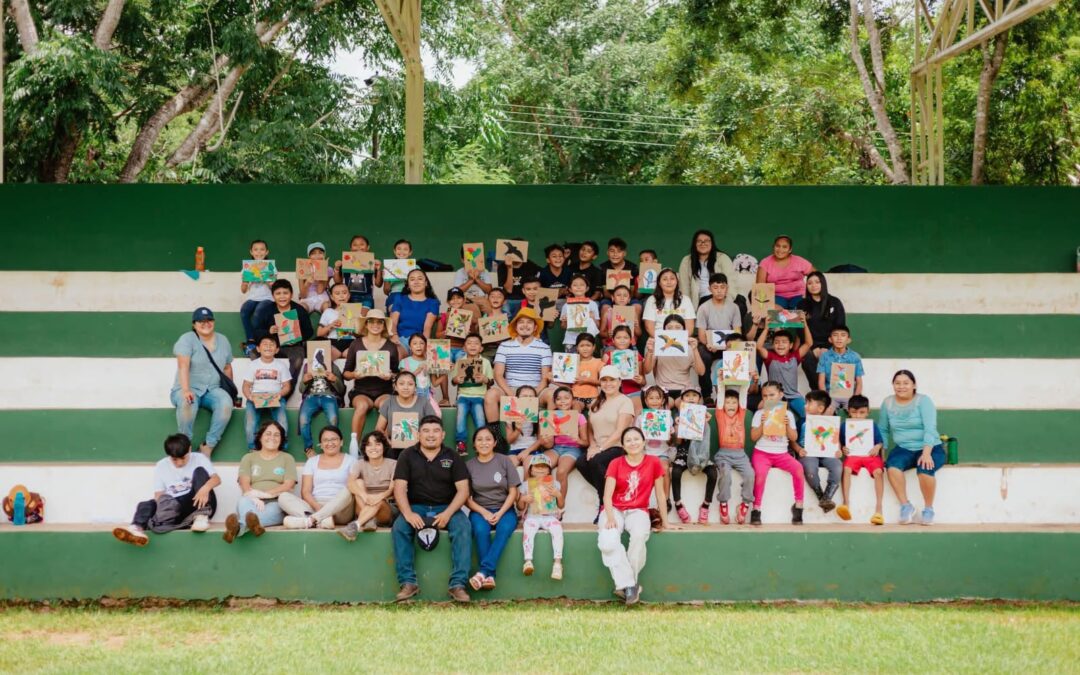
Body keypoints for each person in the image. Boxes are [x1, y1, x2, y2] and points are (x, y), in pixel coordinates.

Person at [391, 416, 473, 603]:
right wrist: (408, 513)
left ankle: (458, 585)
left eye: (435, 431)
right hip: (416, 507)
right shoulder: (407, 455)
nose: (430, 435)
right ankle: (408, 583)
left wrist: (448, 513)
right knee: (400, 528)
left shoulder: (452, 456)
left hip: (446, 506)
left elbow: (463, 491)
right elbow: (399, 488)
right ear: (418, 434)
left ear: (443, 435)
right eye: (426, 431)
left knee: (463, 527)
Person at [598, 426, 668, 606]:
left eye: (636, 439)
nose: (633, 443)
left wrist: (666, 523)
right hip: (614, 509)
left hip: (638, 510)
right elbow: (607, 495)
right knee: (608, 542)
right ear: (622, 445)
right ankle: (630, 585)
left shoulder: (653, 462)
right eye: (628, 440)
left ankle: (626, 586)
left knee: (638, 537)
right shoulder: (616, 463)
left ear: (644, 441)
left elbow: (660, 494)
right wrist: (611, 517)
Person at [112, 433, 221, 546]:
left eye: (183, 458)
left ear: (189, 449)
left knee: (200, 472)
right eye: (174, 459)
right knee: (146, 504)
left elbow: (216, 479)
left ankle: (201, 517)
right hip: (176, 506)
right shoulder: (161, 465)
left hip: (197, 501)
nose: (179, 463)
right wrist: (162, 509)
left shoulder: (199, 458)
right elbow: (159, 494)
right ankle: (136, 529)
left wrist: (205, 488)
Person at [880, 370, 945, 526]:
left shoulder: (923, 401)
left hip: (931, 447)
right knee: (892, 467)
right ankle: (906, 506)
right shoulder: (888, 403)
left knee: (924, 469)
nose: (901, 386)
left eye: (906, 383)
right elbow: (883, 429)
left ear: (914, 385)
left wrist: (927, 453)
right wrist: (882, 453)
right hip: (904, 448)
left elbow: (930, 428)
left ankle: (928, 509)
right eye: (897, 383)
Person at [170, 307, 235, 456]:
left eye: (209, 320)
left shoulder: (223, 340)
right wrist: (186, 390)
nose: (206, 323)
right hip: (187, 387)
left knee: (226, 404)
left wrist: (230, 391)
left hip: (212, 389)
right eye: (201, 321)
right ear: (194, 324)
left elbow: (227, 367)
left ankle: (208, 446)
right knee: (188, 402)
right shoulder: (187, 339)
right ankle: (185, 445)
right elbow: (183, 365)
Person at [466, 426, 521, 591]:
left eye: (488, 439)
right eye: (480, 439)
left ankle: (483, 572)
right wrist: (484, 512)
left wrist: (501, 512)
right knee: (481, 530)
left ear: (495, 442)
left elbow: (513, 491)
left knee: (504, 529)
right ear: (474, 444)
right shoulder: (468, 466)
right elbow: (466, 499)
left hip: (505, 509)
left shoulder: (505, 461)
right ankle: (489, 575)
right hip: (479, 510)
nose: (484, 443)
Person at [223, 421, 297, 543]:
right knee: (243, 502)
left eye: (277, 435)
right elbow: (244, 482)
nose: (272, 437)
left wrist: (266, 495)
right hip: (250, 500)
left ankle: (237, 528)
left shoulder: (287, 458)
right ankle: (254, 526)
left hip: (276, 501)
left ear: (282, 439)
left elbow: (289, 484)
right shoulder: (249, 458)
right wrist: (254, 497)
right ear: (260, 437)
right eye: (268, 433)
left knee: (265, 511)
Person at [575, 366, 635, 513]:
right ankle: (612, 497)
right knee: (581, 462)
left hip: (618, 447)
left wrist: (600, 449)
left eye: (612, 380)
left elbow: (620, 431)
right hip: (599, 447)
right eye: (604, 380)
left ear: (620, 382)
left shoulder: (625, 401)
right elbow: (590, 428)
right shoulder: (596, 402)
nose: (608, 384)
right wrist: (592, 446)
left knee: (596, 461)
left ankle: (604, 503)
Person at [483, 306, 552, 427]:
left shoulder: (544, 348)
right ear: (515, 326)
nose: (525, 325)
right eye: (521, 322)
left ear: (535, 327)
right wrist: (512, 394)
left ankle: (547, 435)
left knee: (552, 395)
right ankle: (496, 436)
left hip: (536, 389)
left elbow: (545, 377)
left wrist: (532, 394)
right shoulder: (504, 346)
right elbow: (498, 375)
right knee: (490, 394)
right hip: (511, 388)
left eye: (529, 322)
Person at [343, 309, 400, 453]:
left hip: (384, 391)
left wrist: (390, 376)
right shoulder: (356, 344)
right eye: (372, 321)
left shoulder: (391, 346)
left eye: (380, 322)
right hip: (361, 391)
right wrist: (355, 375)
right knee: (361, 406)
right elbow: (346, 373)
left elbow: (396, 373)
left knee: (388, 405)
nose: (376, 325)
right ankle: (354, 446)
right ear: (366, 324)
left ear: (384, 325)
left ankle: (378, 444)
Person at [279, 426, 357, 529]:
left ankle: (310, 520)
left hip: (340, 508)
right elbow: (305, 492)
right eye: (325, 440)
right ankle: (321, 521)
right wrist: (318, 508)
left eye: (334, 439)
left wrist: (325, 510)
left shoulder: (351, 461)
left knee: (349, 489)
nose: (330, 443)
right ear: (321, 445)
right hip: (315, 506)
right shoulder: (312, 462)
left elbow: (352, 489)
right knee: (283, 497)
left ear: (341, 442)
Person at [749, 381, 802, 526]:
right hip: (762, 452)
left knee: (798, 469)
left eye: (772, 395)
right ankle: (756, 509)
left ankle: (799, 507)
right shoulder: (759, 413)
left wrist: (786, 425)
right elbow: (753, 437)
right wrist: (762, 423)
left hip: (782, 454)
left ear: (780, 395)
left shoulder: (788, 414)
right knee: (760, 475)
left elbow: (794, 438)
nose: (768, 399)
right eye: (765, 396)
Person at [252, 279, 314, 385]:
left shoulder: (299, 310)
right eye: (278, 294)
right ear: (273, 296)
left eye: (285, 293)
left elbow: (309, 331)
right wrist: (269, 331)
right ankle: (264, 384)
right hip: (272, 345)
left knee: (298, 358)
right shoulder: (266, 310)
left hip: (293, 346)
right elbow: (257, 331)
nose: (282, 297)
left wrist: (297, 338)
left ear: (291, 294)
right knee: (254, 353)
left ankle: (287, 387)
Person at [669, 388, 717, 525]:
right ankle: (678, 504)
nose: (691, 398)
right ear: (682, 400)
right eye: (687, 396)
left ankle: (706, 505)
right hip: (684, 453)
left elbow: (705, 439)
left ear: (699, 399)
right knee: (676, 472)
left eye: (694, 395)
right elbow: (678, 442)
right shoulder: (678, 416)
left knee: (713, 473)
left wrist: (705, 422)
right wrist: (678, 427)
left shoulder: (703, 415)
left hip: (701, 454)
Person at [339, 431, 399, 539]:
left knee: (379, 502)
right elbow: (350, 483)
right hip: (364, 505)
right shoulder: (359, 463)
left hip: (385, 509)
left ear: (384, 447)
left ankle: (356, 525)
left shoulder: (393, 464)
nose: (373, 448)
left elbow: (392, 489)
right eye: (369, 445)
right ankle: (369, 520)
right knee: (358, 482)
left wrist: (378, 498)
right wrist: (365, 496)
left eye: (377, 444)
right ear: (364, 449)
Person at [838, 395, 886, 525]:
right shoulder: (844, 426)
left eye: (862, 412)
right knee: (846, 469)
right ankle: (846, 503)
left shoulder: (872, 425)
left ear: (868, 412)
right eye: (854, 412)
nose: (858, 416)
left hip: (870, 455)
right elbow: (841, 443)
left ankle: (879, 509)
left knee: (878, 472)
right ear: (848, 411)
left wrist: (877, 446)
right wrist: (843, 448)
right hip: (854, 455)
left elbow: (880, 442)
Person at [695, 273, 742, 403]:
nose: (719, 290)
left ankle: (731, 395)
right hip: (710, 345)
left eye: (722, 287)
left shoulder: (734, 307)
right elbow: (701, 334)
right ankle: (707, 395)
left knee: (740, 353)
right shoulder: (704, 308)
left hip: (729, 345)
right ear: (710, 289)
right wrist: (709, 344)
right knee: (703, 355)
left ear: (727, 288)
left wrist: (731, 347)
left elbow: (737, 331)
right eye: (715, 287)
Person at [792, 390, 841, 513]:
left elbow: (835, 439)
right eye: (805, 402)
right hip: (808, 454)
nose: (805, 406)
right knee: (810, 469)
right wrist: (798, 449)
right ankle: (821, 496)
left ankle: (828, 496)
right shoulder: (801, 422)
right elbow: (792, 439)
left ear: (820, 408)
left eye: (809, 403)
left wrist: (838, 450)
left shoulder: (830, 423)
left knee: (838, 466)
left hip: (827, 453)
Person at [755, 320, 813, 425]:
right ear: (773, 345)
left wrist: (805, 324)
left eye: (784, 342)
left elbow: (809, 343)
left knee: (808, 416)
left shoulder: (795, 357)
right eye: (777, 342)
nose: (780, 345)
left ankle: (799, 438)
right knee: (765, 414)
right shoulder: (770, 357)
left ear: (791, 345)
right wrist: (767, 328)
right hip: (775, 396)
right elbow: (758, 347)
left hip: (794, 396)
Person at [518, 454, 565, 580]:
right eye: (537, 466)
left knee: (557, 529)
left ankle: (557, 563)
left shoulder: (555, 484)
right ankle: (528, 561)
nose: (540, 469)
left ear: (549, 470)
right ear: (531, 469)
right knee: (528, 529)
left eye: (544, 467)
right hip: (532, 516)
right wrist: (523, 499)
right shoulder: (526, 485)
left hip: (550, 517)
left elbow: (561, 505)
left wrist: (558, 495)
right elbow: (520, 507)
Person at [242, 335, 292, 451]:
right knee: (250, 423)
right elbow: (246, 386)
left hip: (275, 396)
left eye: (272, 345)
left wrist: (280, 394)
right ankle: (253, 449)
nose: (268, 347)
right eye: (265, 344)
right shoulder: (253, 365)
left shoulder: (281, 366)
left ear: (277, 350)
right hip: (256, 397)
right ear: (258, 348)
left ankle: (281, 449)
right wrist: (250, 397)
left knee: (282, 422)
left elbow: (287, 386)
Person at [796, 271, 846, 385]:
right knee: (807, 359)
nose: (813, 286)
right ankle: (819, 394)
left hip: (831, 344)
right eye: (809, 283)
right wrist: (813, 347)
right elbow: (800, 330)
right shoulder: (802, 304)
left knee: (839, 358)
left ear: (823, 283)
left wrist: (827, 347)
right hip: (810, 345)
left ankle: (836, 396)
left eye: (817, 282)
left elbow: (840, 328)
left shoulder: (835, 302)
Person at [713, 389, 755, 525]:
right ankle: (723, 503)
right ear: (722, 405)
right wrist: (720, 382)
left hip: (740, 455)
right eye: (727, 402)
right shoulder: (720, 414)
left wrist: (746, 380)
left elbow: (743, 395)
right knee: (725, 474)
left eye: (734, 402)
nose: (731, 405)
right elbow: (719, 398)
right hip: (724, 454)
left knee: (750, 475)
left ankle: (745, 504)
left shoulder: (741, 414)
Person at [643, 314, 705, 402]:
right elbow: (647, 370)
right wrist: (649, 351)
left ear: (684, 330)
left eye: (678, 327)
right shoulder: (658, 346)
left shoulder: (690, 348)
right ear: (664, 330)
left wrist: (695, 350)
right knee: (668, 403)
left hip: (684, 390)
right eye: (669, 327)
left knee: (685, 404)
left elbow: (701, 372)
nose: (673, 330)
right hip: (663, 389)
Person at [297, 347, 345, 458]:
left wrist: (335, 380)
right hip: (311, 397)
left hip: (329, 396)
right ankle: (308, 447)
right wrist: (304, 382)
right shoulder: (307, 367)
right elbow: (301, 389)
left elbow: (341, 390)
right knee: (303, 419)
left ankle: (333, 446)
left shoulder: (333, 367)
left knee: (333, 418)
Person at [451, 333, 492, 455]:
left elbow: (491, 381)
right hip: (463, 396)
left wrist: (485, 379)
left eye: (476, 343)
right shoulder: (460, 361)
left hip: (479, 397)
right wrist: (457, 379)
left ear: (481, 348)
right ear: (464, 348)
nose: (473, 346)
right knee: (460, 416)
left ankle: (481, 443)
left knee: (480, 419)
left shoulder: (485, 362)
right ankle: (461, 443)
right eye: (469, 343)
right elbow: (453, 381)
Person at [548, 386, 589, 502]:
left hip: (573, 449)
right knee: (541, 465)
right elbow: (548, 443)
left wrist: (577, 439)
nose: (562, 401)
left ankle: (560, 506)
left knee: (561, 472)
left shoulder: (579, 417)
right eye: (559, 399)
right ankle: (544, 506)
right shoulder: (551, 417)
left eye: (566, 398)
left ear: (572, 401)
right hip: (555, 448)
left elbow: (586, 443)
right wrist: (547, 438)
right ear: (555, 402)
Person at [677, 229, 736, 307]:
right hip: (702, 300)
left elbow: (730, 282)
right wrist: (687, 307)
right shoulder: (686, 261)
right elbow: (684, 288)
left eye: (707, 241)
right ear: (695, 244)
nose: (703, 243)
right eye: (699, 241)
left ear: (712, 243)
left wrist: (727, 304)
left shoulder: (723, 258)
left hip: (723, 298)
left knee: (740, 305)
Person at [756, 235, 815, 310]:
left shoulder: (799, 261)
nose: (780, 249)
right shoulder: (765, 263)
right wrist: (769, 305)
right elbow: (760, 287)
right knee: (776, 316)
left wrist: (809, 294)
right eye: (778, 246)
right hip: (776, 296)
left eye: (784, 247)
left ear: (790, 250)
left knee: (802, 312)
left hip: (799, 295)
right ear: (773, 247)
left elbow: (817, 276)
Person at [816, 324, 865, 412]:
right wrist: (826, 398)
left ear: (849, 340)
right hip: (830, 394)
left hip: (849, 394)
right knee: (827, 412)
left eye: (843, 335)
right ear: (830, 339)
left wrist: (855, 399)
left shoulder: (855, 357)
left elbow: (859, 382)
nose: (839, 338)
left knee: (856, 413)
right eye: (835, 335)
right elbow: (821, 382)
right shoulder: (824, 356)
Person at [375, 371, 438, 438]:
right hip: (392, 446)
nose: (406, 387)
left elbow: (434, 425)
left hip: (419, 446)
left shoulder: (424, 402)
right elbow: (379, 429)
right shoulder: (389, 402)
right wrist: (388, 442)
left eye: (410, 384)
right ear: (395, 387)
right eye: (401, 384)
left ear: (415, 388)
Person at [390, 269, 440, 349]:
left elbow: (427, 328)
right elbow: (393, 322)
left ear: (426, 283)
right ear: (408, 285)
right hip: (400, 340)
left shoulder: (433, 303)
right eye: (412, 279)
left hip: (419, 341)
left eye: (420, 279)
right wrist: (394, 336)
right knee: (396, 352)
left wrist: (423, 346)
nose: (416, 282)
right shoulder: (399, 298)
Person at [239, 239, 272, 358]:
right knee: (244, 311)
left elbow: (274, 289)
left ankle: (259, 341)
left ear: (267, 252)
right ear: (251, 252)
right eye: (256, 250)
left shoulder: (271, 266)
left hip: (268, 298)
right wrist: (245, 281)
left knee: (259, 311)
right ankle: (251, 342)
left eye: (262, 249)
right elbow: (243, 290)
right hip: (253, 297)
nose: (259, 252)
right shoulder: (247, 267)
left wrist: (266, 278)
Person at [601, 325, 645, 413]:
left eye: (625, 337)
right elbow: (602, 379)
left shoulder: (636, 356)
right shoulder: (607, 356)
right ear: (613, 340)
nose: (622, 340)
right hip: (613, 393)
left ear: (631, 340)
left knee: (638, 412)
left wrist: (641, 380)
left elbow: (644, 381)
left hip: (633, 392)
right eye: (618, 337)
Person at [642, 268, 696, 337]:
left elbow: (690, 328)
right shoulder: (652, 300)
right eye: (665, 279)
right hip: (658, 339)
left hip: (681, 340)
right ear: (659, 283)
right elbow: (649, 327)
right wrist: (663, 341)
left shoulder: (685, 299)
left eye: (672, 279)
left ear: (677, 281)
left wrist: (680, 341)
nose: (669, 282)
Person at [399, 333, 445, 410]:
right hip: (412, 395)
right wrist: (418, 370)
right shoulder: (405, 362)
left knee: (437, 413)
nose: (418, 346)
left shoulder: (430, 362)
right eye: (415, 343)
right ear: (410, 347)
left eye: (422, 343)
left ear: (426, 346)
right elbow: (404, 380)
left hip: (427, 395)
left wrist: (446, 372)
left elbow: (435, 383)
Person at [333, 233, 379, 309]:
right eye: (355, 245)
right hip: (348, 296)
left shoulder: (371, 262)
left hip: (366, 297)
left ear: (368, 247)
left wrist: (378, 269)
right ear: (350, 248)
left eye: (362, 244)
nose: (358, 247)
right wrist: (337, 269)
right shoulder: (345, 261)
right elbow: (338, 281)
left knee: (363, 313)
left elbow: (378, 284)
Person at [317, 282, 357, 360]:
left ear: (349, 295)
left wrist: (353, 330)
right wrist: (331, 325)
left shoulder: (355, 310)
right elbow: (319, 333)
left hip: (351, 342)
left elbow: (361, 334)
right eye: (337, 293)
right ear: (332, 297)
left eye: (344, 293)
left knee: (357, 354)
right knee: (325, 357)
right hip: (333, 342)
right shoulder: (328, 311)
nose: (341, 296)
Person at [559, 274, 601, 349]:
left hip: (587, 341)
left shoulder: (592, 304)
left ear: (587, 288)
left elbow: (597, 325)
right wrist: (565, 321)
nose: (578, 287)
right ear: (570, 289)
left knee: (585, 360)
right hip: (571, 341)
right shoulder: (566, 305)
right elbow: (563, 326)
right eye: (575, 285)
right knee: (571, 360)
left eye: (582, 285)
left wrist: (592, 317)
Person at [380, 238, 414, 311]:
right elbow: (386, 291)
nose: (402, 251)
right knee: (396, 308)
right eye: (399, 249)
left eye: (405, 249)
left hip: (411, 294)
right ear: (394, 251)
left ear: (410, 252)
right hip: (395, 294)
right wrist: (386, 278)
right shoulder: (389, 267)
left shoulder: (415, 268)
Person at [297, 242, 331, 314]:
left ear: (324, 255)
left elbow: (319, 291)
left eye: (320, 253)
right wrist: (307, 284)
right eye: (313, 253)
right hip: (307, 297)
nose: (317, 256)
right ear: (309, 256)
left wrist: (323, 269)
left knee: (326, 307)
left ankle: (325, 325)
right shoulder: (302, 269)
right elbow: (303, 295)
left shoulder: (328, 269)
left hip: (321, 297)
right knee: (301, 308)